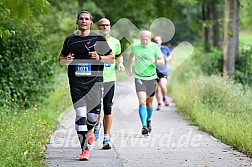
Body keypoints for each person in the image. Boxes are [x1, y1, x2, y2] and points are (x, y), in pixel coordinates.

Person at [59, 11, 114, 161]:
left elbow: (111, 59)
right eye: (81, 19)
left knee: (92, 117)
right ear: (77, 22)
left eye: (86, 19)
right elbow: (61, 59)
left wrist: (99, 57)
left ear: (91, 22)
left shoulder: (98, 39)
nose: (84, 21)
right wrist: (66, 59)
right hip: (76, 83)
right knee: (80, 115)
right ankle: (84, 150)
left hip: (95, 84)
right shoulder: (70, 40)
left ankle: (90, 132)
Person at [93, 18, 125, 149]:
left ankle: (106, 138)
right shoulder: (92, 40)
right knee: (96, 109)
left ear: (110, 27)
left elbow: (118, 55)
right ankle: (96, 126)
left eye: (107, 25)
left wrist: (121, 63)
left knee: (108, 107)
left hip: (109, 79)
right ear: (98, 27)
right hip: (94, 79)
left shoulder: (115, 42)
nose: (104, 27)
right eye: (102, 25)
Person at [128, 30, 164, 135]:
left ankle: (149, 121)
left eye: (146, 40)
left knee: (149, 103)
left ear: (150, 39)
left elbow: (162, 61)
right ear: (140, 38)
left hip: (152, 78)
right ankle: (144, 126)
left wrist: (156, 61)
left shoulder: (154, 47)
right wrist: (130, 68)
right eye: (142, 39)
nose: (144, 42)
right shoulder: (135, 46)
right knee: (142, 102)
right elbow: (131, 56)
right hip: (139, 77)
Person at [154, 36, 173, 111]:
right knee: (157, 89)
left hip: (163, 71)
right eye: (155, 41)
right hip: (154, 72)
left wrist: (168, 59)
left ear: (161, 41)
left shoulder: (165, 48)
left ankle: (164, 97)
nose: (157, 42)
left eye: (158, 40)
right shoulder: (151, 49)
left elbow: (170, 55)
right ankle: (159, 103)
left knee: (162, 85)